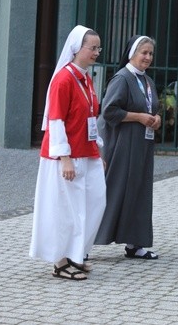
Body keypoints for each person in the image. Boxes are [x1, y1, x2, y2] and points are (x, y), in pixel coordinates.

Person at [29, 25, 106, 280]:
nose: (97, 52)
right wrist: (64, 158)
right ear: (76, 48)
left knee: (95, 203)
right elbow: (56, 120)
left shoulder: (86, 78)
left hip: (86, 152)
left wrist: (98, 152)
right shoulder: (64, 79)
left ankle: (77, 253)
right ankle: (61, 261)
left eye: (98, 47)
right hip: (66, 157)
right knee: (65, 209)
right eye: (92, 47)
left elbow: (89, 119)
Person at [94, 35, 161, 260]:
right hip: (122, 146)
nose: (148, 57)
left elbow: (152, 108)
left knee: (140, 193)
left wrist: (156, 118)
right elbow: (109, 111)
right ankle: (86, 243)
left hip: (141, 146)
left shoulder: (147, 81)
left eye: (151, 53)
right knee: (113, 193)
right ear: (132, 53)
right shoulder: (122, 78)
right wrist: (139, 117)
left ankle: (135, 243)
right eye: (144, 52)